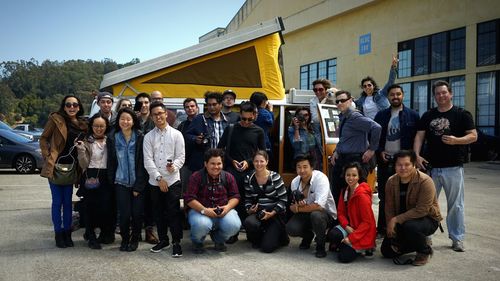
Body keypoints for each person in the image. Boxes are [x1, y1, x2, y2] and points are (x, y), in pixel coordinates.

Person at [413, 80, 477, 252]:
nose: (441, 96)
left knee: (456, 205)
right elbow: (419, 136)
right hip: (431, 168)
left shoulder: (462, 114)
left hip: (453, 167)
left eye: (444, 92)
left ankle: (457, 238)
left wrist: (457, 140)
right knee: (426, 204)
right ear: (434, 96)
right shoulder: (428, 115)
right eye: (437, 93)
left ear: (450, 93)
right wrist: (417, 155)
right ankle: (427, 236)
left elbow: (473, 136)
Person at [40, 95, 88, 248]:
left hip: (72, 167)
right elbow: (43, 138)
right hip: (55, 166)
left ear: (79, 107)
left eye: (75, 104)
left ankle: (67, 233)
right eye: (68, 104)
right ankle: (58, 234)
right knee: (57, 202)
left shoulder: (82, 125)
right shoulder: (56, 120)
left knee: (68, 203)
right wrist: (47, 156)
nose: (72, 107)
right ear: (64, 106)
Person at [381, 150, 442, 266]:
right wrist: (390, 224)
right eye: (399, 165)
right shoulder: (391, 181)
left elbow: (422, 210)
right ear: (395, 166)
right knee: (387, 251)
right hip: (403, 220)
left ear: (414, 164)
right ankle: (416, 243)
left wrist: (395, 220)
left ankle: (424, 251)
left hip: (427, 219)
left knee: (411, 226)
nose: (403, 168)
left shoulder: (425, 181)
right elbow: (389, 207)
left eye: (407, 164)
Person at [374, 84, 420, 237]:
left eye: (398, 94)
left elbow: (418, 139)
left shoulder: (413, 115)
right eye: (392, 94)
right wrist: (379, 152)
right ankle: (382, 229)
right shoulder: (381, 116)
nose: (395, 97)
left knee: (405, 196)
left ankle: (402, 228)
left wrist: (414, 159)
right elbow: (374, 138)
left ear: (403, 95)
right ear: (388, 97)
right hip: (385, 162)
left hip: (404, 164)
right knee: (384, 196)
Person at [217, 101, 266, 242]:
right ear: (240, 115)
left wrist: (249, 162)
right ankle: (233, 232)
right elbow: (220, 150)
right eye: (244, 119)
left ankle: (249, 229)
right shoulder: (231, 128)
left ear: (255, 116)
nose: (246, 122)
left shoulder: (258, 131)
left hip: (250, 173)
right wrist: (231, 160)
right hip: (231, 171)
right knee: (232, 201)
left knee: (248, 202)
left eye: (250, 119)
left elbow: (262, 154)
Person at [143, 102, 185, 257]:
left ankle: (176, 242)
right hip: (155, 181)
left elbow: (181, 157)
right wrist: (159, 178)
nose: (158, 116)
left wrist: (173, 167)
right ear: (152, 117)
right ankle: (163, 240)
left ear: (166, 113)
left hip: (173, 180)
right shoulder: (148, 137)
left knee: (173, 212)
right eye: (155, 114)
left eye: (160, 113)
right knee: (158, 213)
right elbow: (148, 161)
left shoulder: (176, 134)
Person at [184, 149, 241, 254]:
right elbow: (189, 198)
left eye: (219, 163)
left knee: (234, 225)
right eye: (212, 163)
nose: (216, 167)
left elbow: (235, 196)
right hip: (200, 211)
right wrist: (204, 210)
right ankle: (197, 241)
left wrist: (227, 208)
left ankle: (219, 240)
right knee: (201, 224)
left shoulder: (228, 177)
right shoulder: (196, 176)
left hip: (223, 211)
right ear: (205, 164)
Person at [329, 90, 381, 205]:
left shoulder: (354, 116)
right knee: (339, 193)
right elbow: (345, 138)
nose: (339, 103)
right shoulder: (344, 116)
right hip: (343, 159)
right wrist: (337, 150)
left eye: (342, 100)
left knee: (355, 195)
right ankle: (341, 220)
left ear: (350, 101)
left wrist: (372, 150)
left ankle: (353, 221)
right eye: (337, 101)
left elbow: (376, 127)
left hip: (355, 160)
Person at [107, 108, 147, 252]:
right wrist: (111, 180)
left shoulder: (141, 136)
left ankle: (135, 239)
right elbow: (111, 161)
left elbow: (143, 163)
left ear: (133, 121)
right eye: (122, 119)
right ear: (118, 121)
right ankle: (124, 239)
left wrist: (139, 185)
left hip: (138, 182)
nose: (125, 122)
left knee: (137, 213)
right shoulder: (112, 137)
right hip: (120, 181)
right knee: (124, 214)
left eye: (128, 119)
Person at [286, 154, 337, 258]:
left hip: (325, 215)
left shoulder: (321, 178)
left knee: (316, 215)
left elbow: (319, 206)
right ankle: (308, 236)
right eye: (299, 167)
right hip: (306, 212)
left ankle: (320, 245)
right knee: (291, 228)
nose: (302, 170)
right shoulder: (295, 182)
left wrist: (298, 208)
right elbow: (293, 206)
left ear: (312, 167)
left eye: (305, 167)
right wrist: (296, 206)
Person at [76, 113, 114, 249]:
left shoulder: (110, 140)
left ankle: (104, 233)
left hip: (106, 176)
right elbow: (83, 164)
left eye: (102, 126)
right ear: (91, 127)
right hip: (90, 175)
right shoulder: (86, 141)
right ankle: (91, 235)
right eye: (96, 126)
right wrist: (81, 151)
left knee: (105, 208)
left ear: (106, 126)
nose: (99, 129)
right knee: (89, 208)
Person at [327, 162, 376, 263]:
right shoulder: (345, 190)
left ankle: (364, 247)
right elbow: (340, 212)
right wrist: (346, 226)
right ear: (344, 175)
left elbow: (367, 223)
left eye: (354, 175)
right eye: (348, 175)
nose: (350, 178)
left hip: (362, 231)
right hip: (350, 227)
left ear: (359, 177)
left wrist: (351, 238)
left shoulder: (362, 195)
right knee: (332, 235)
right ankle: (346, 245)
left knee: (343, 258)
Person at [244, 150, 288, 253]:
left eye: (262, 161)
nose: (259, 164)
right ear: (253, 162)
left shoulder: (275, 177)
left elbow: (284, 199)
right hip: (259, 212)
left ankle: (281, 235)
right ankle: (263, 236)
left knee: (267, 248)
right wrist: (249, 209)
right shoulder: (248, 178)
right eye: (256, 161)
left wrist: (272, 213)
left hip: (275, 214)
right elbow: (248, 199)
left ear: (267, 162)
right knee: (249, 223)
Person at [134, 92, 158, 244]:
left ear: (150, 104)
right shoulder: (132, 120)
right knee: (136, 201)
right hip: (135, 166)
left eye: (146, 102)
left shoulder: (155, 121)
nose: (143, 105)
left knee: (151, 202)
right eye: (140, 102)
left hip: (152, 165)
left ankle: (149, 231)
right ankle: (135, 231)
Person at [185, 91, 229, 172]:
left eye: (214, 104)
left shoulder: (228, 121)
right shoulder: (199, 119)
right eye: (209, 105)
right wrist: (196, 139)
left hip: (222, 163)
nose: (211, 107)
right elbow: (187, 135)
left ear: (221, 105)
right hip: (203, 163)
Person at [354, 55, 399, 119]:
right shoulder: (361, 99)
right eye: (365, 86)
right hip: (370, 126)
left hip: (383, 123)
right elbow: (350, 101)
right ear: (363, 88)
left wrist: (393, 67)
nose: (367, 87)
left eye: (369, 85)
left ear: (373, 86)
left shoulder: (381, 93)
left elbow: (391, 82)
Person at [177, 98, 200, 193]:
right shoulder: (182, 125)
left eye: (192, 106)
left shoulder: (203, 123)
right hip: (185, 164)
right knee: (186, 191)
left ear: (197, 107)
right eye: (187, 107)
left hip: (200, 164)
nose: (190, 108)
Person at [309, 79, 334, 154]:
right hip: (319, 132)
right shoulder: (313, 101)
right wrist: (324, 101)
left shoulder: (334, 98)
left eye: (320, 89)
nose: (318, 92)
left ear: (326, 90)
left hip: (332, 130)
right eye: (315, 90)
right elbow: (315, 119)